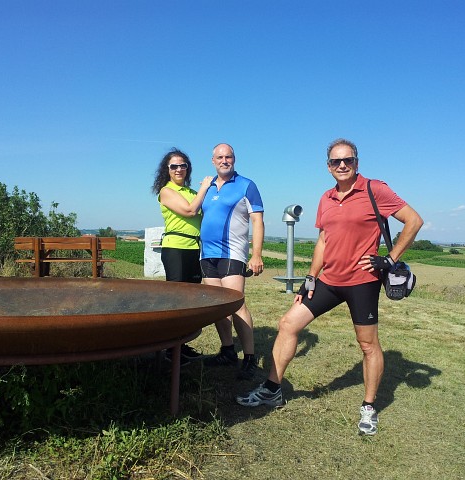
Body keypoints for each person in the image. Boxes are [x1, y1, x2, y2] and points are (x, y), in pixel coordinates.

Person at [236, 138, 423, 436]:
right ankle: (272, 389)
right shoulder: (326, 198)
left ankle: (369, 406)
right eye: (336, 161)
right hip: (329, 281)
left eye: (348, 160)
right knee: (288, 324)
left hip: (362, 282)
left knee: (367, 345)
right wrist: (311, 276)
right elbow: (324, 240)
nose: (342, 165)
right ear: (328, 167)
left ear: (357, 163)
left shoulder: (375, 189)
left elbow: (413, 220)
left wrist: (389, 259)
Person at [200, 143, 265, 380]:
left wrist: (256, 254)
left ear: (234, 159)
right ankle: (227, 350)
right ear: (213, 160)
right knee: (218, 306)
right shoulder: (206, 187)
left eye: (228, 156)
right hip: (206, 254)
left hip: (232, 253)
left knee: (236, 304)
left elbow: (257, 221)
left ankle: (249, 357)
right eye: (220, 157)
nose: (224, 160)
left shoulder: (246, 185)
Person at [152, 148, 213, 364]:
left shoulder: (190, 192)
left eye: (183, 165)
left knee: (189, 300)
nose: (179, 169)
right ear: (167, 170)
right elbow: (190, 211)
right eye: (174, 166)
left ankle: (181, 345)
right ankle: (170, 349)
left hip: (194, 248)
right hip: (176, 249)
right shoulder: (166, 191)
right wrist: (205, 188)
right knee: (176, 299)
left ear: (188, 168)